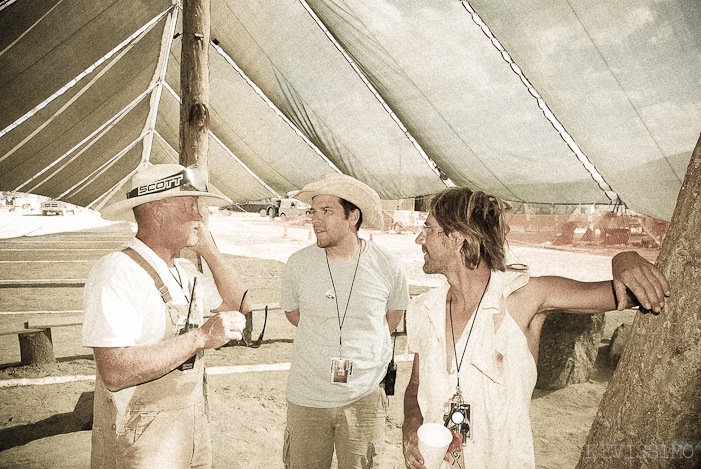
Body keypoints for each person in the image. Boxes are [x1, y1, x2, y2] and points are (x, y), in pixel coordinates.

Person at [402, 187, 671, 469]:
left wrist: (624, 258)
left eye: (428, 228)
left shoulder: (523, 298)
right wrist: (410, 425)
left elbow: (632, 294)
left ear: (456, 237)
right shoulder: (424, 310)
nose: (419, 238)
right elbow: (416, 384)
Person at [82, 163, 251, 469]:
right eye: (191, 206)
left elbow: (239, 305)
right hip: (142, 441)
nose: (199, 216)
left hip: (190, 429)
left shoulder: (183, 271)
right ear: (159, 212)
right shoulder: (118, 271)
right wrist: (200, 338)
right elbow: (115, 371)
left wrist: (209, 250)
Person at [280, 173, 410, 469]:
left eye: (327, 211)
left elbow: (391, 318)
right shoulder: (298, 264)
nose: (315, 220)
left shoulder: (388, 264)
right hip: (307, 397)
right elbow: (294, 315)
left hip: (364, 397)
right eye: (313, 211)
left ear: (353, 216)